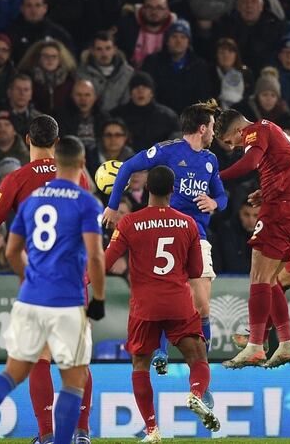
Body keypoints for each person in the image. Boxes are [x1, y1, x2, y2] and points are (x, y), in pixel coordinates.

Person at [0, 119, 94, 444]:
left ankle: (45, 435)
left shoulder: (16, 180)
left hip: (38, 284)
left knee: (34, 360)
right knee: (75, 363)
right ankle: (80, 434)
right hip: (73, 282)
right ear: (58, 140)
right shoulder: (78, 179)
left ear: (26, 140)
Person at [103, 100, 228, 376]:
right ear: (202, 128)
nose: (214, 134)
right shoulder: (167, 151)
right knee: (163, 296)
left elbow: (223, 196)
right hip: (162, 231)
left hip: (196, 235)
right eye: (211, 128)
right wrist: (113, 206)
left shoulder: (210, 161)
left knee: (201, 306)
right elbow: (126, 168)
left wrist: (214, 202)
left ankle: (201, 367)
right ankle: (160, 353)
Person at [104, 166, 221, 442]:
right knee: (198, 357)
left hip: (145, 305)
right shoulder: (188, 223)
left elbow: (107, 261)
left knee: (140, 365)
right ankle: (195, 394)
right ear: (173, 191)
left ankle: (152, 429)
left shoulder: (129, 223)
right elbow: (194, 271)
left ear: (147, 190)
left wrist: (83, 280)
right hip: (179, 303)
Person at [214, 108, 290, 368]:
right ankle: (287, 343)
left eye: (230, 141)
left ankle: (255, 345)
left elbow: (250, 163)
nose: (232, 147)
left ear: (235, 131)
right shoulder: (274, 131)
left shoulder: (256, 130)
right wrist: (266, 191)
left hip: (281, 210)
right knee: (272, 281)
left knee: (258, 277)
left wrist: (215, 177)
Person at [76, 30, 135, 113]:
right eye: (99, 49)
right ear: (92, 51)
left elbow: (127, 103)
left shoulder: (128, 73)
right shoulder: (81, 73)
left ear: (115, 49)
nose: (104, 54)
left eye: (108, 48)